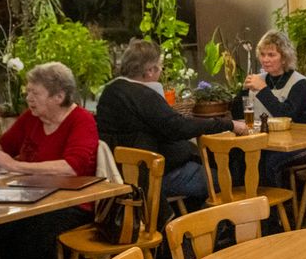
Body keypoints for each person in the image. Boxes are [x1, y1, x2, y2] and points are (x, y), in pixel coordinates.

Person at [0, 62, 99, 259]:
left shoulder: (81, 120)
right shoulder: (31, 119)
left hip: (72, 203)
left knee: (32, 233)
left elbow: (72, 167)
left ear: (59, 96)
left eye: (35, 93)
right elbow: (2, 144)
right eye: (28, 92)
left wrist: (15, 165)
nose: (28, 98)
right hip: (31, 198)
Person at [96, 40, 246, 220]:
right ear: (149, 70)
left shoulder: (111, 91)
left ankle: (193, 225)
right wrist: (228, 124)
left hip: (125, 175)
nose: (161, 72)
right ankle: (210, 231)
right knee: (227, 178)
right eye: (160, 68)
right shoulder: (142, 95)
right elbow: (178, 127)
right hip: (155, 177)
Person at [235, 30, 306, 189]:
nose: (266, 60)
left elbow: (287, 115)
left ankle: (275, 209)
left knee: (269, 161)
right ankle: (245, 204)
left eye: (271, 55)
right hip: (268, 141)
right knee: (237, 154)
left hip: (301, 144)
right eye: (263, 54)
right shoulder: (260, 80)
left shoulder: (298, 83)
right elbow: (239, 114)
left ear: (284, 58)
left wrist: (263, 90)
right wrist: (242, 93)